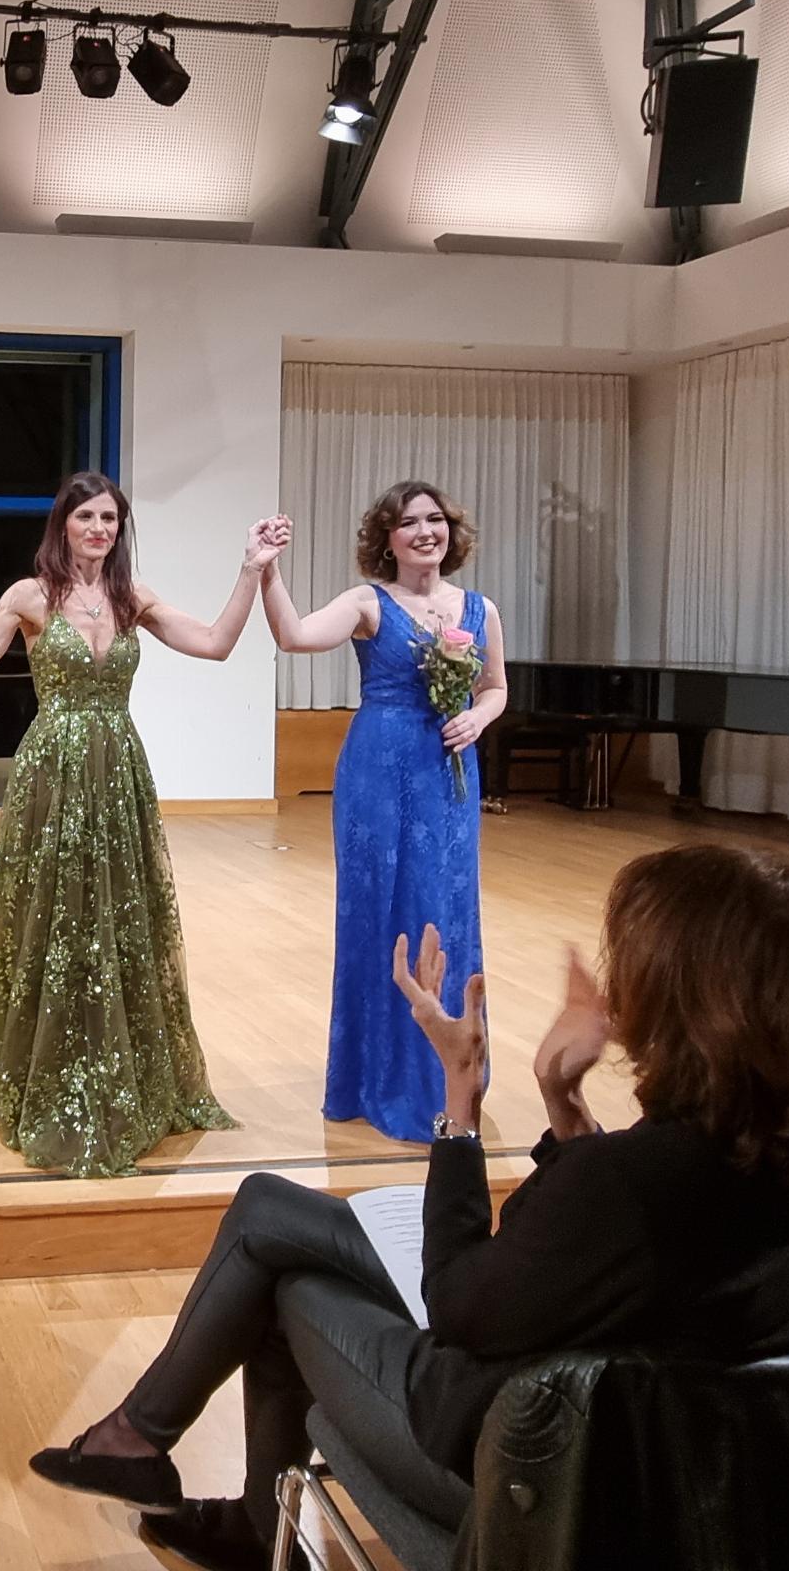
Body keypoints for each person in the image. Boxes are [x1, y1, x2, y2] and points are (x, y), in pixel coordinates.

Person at [28, 842, 789, 1570]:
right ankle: (163, 1458)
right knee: (267, 1210)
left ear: (676, 1005)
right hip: (692, 1479)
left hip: (527, 1475)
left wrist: (459, 1103)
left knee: (285, 1283)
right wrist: (563, 1102)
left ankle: (236, 1511)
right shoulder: (766, 1157)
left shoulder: (637, 1184)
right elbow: (612, 1250)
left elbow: (458, 1304)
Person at [0, 472, 284, 1176]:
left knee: (118, 913)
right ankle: (36, 1061)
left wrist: (251, 571)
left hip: (118, 771)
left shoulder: (132, 598)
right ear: (64, 525)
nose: (99, 529)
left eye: (110, 518)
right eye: (86, 517)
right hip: (52, 772)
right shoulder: (29, 596)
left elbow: (215, 643)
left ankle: (117, 1061)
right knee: (48, 912)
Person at [260, 482, 507, 1142]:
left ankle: (448, 1072)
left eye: (435, 520)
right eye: (409, 523)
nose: (426, 532)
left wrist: (479, 718)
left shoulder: (479, 609)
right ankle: (376, 1076)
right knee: (380, 914)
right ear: (388, 539)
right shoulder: (368, 603)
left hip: (448, 774)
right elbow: (295, 636)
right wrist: (268, 573)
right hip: (378, 772)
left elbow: (495, 687)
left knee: (447, 910)